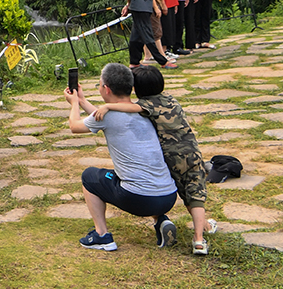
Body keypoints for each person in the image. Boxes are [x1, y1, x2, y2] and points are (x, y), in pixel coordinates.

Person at [91, 65, 215, 255]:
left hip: (170, 158)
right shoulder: (171, 100)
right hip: (192, 153)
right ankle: (199, 238)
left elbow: (129, 108)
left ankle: (178, 223)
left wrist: (107, 105)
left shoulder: (146, 105)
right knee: (195, 193)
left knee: (181, 190)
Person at [65, 63, 178, 251]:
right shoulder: (142, 110)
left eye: (99, 84)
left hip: (139, 199)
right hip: (168, 196)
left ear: (106, 89)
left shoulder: (110, 115)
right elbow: (101, 118)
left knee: (90, 176)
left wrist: (74, 103)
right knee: (138, 175)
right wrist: (83, 100)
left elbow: (75, 126)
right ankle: (161, 220)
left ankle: (102, 235)